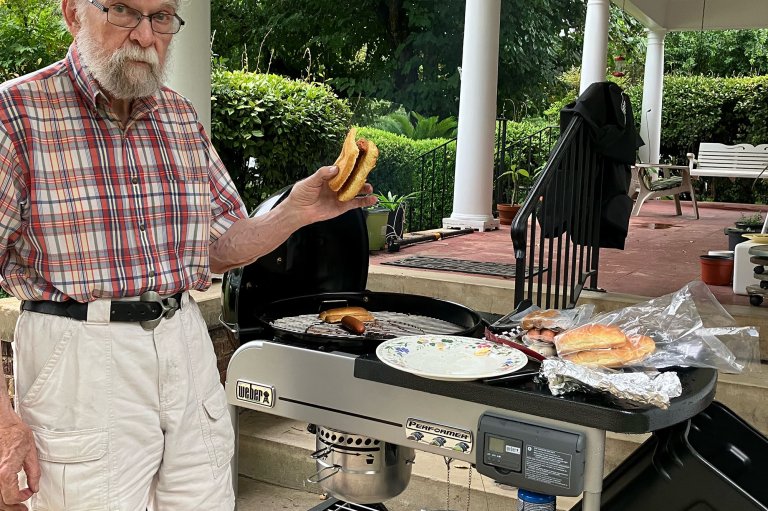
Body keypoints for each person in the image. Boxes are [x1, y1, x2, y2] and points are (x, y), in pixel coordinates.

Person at [0, 0, 376, 509]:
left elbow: (219, 248)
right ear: (73, 13)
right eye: (124, 12)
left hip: (184, 343)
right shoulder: (15, 114)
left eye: (160, 18)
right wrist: (3, 425)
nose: (143, 35)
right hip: (79, 356)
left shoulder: (178, 116)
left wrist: (297, 211)